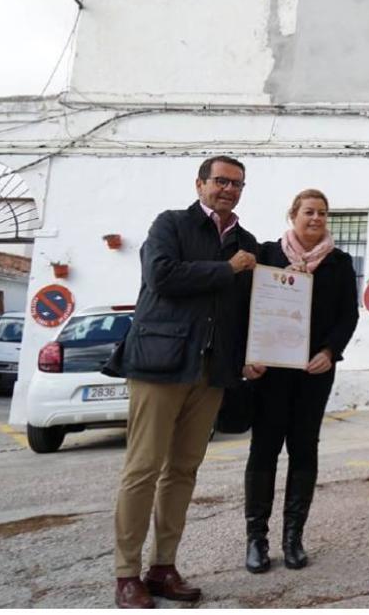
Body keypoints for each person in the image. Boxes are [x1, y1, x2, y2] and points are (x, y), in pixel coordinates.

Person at [106, 156, 258, 608]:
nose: (228, 189)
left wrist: (256, 352)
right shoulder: (170, 224)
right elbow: (162, 277)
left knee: (183, 471)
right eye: (221, 181)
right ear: (200, 184)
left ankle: (163, 566)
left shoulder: (245, 241)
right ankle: (125, 572)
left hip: (211, 372)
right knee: (142, 469)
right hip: (160, 363)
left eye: (237, 183)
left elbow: (248, 307)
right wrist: (228, 269)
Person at [243, 189, 359, 573]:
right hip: (271, 372)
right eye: (309, 212)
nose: (316, 219)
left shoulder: (339, 263)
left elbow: (347, 315)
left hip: (314, 371)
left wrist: (329, 352)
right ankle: (256, 539)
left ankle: (293, 538)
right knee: (264, 450)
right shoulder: (267, 256)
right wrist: (250, 356)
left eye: (323, 213)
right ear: (292, 214)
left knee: (304, 449)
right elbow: (249, 308)